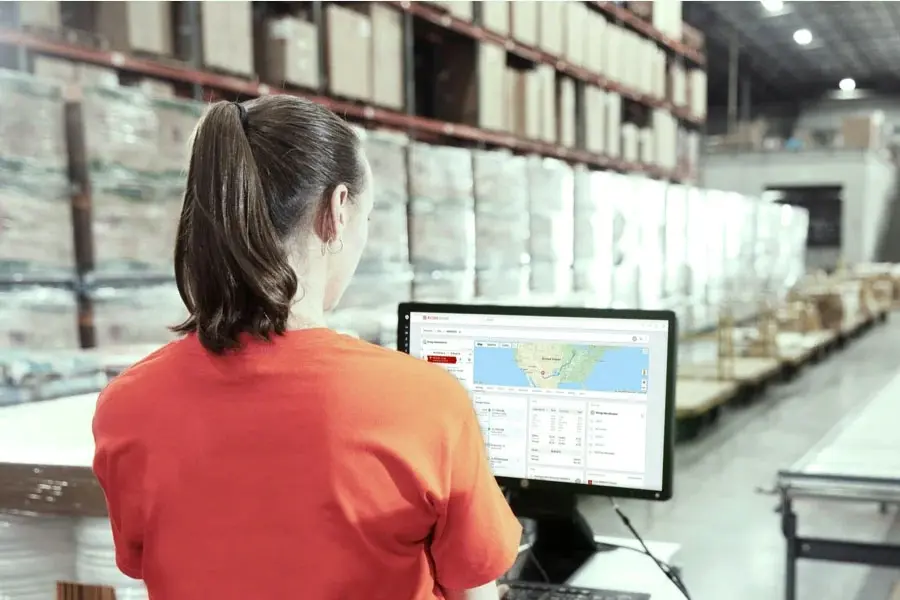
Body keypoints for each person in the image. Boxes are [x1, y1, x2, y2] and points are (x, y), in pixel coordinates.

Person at [91, 96, 521, 600]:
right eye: (367, 218)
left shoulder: (126, 404)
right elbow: (474, 587)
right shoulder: (424, 402)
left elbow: (148, 562)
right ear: (337, 211)